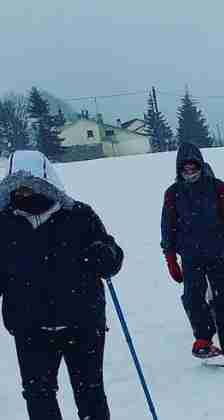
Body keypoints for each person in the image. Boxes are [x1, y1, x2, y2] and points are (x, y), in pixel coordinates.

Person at [0, 150, 124, 420]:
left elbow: (113, 258)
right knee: (38, 395)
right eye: (17, 188)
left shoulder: (79, 215)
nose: (24, 194)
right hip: (29, 327)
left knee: (90, 392)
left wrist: (105, 254)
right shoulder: (4, 222)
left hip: (83, 323)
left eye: (31, 186)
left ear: (48, 184)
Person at [160, 142, 224, 370]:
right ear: (179, 170)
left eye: (194, 168)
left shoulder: (217, 187)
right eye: (186, 169)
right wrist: (170, 257)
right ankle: (203, 337)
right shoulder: (173, 194)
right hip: (191, 257)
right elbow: (168, 226)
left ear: (201, 166)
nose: (190, 173)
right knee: (192, 298)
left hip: (220, 255)